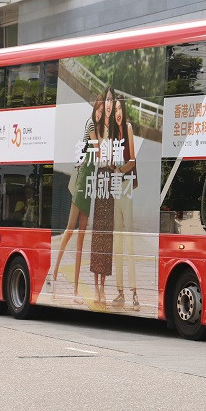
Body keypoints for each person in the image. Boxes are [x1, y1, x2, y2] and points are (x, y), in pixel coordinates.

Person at [52, 95, 104, 303]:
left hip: (89, 181)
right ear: (94, 109)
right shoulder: (91, 124)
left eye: (102, 111)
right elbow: (98, 151)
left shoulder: (98, 127)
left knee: (81, 237)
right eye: (98, 109)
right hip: (83, 179)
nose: (99, 113)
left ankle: (74, 291)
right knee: (69, 230)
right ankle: (55, 275)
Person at [112, 98, 140, 310]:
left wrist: (119, 170)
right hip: (115, 188)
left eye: (120, 108)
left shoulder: (128, 128)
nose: (118, 112)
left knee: (129, 241)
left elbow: (132, 160)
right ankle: (120, 292)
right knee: (117, 243)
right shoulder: (112, 134)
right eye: (115, 110)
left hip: (126, 187)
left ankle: (134, 293)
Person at [90, 86, 117, 306]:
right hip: (101, 177)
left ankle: (104, 287)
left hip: (112, 179)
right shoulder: (97, 126)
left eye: (110, 100)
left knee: (107, 236)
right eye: (106, 100)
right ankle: (96, 287)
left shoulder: (116, 128)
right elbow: (98, 153)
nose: (107, 104)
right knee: (98, 234)